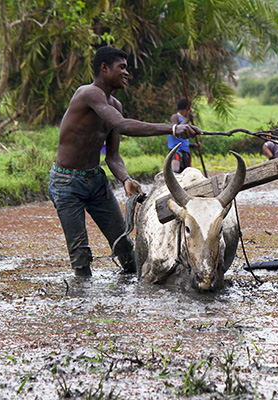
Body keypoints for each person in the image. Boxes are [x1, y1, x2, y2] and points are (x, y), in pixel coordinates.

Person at [48, 46, 201, 278]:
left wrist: (125, 178)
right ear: (104, 68)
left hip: (95, 181)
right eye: (122, 67)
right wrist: (173, 129)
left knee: (126, 250)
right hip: (66, 183)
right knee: (80, 256)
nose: (126, 73)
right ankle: (81, 309)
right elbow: (122, 125)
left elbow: (112, 156)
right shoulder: (88, 93)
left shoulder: (115, 105)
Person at [169, 97, 196, 173]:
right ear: (188, 108)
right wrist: (187, 119)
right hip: (176, 151)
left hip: (185, 152)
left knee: (186, 173)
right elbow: (175, 130)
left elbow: (182, 141)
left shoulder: (184, 119)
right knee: (176, 173)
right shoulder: (176, 117)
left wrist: (193, 146)